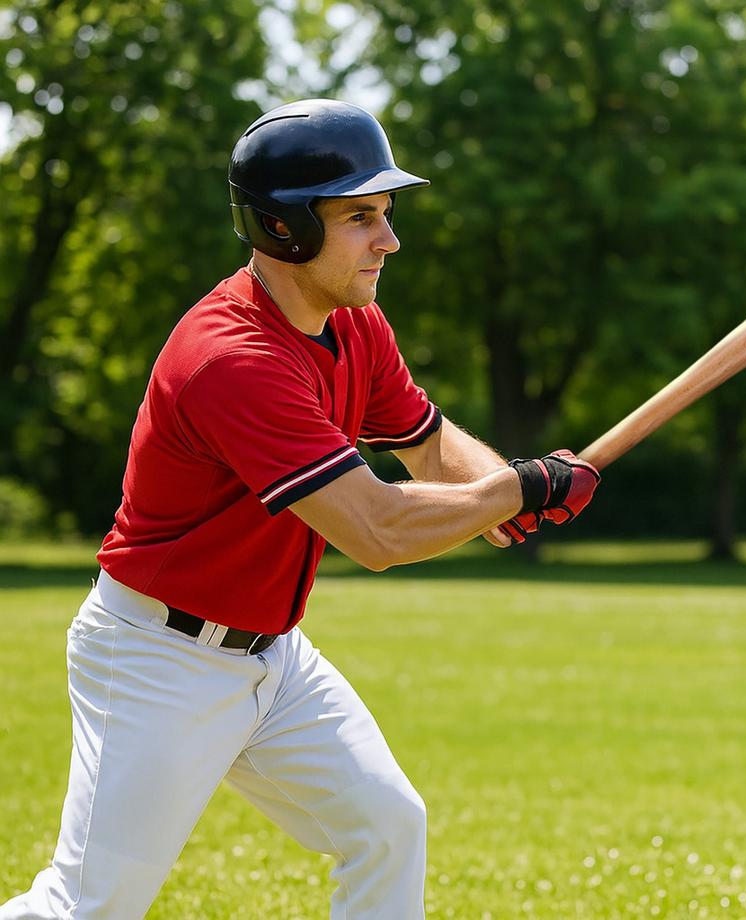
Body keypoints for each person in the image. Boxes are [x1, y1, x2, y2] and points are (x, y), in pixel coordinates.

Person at [0, 99, 600, 920]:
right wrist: (515, 490)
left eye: (385, 215)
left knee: (388, 826)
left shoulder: (355, 325)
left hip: (273, 660)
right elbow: (377, 529)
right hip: (158, 661)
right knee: (89, 905)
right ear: (283, 229)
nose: (388, 241)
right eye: (361, 218)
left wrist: (493, 495)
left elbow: (426, 445)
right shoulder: (231, 360)